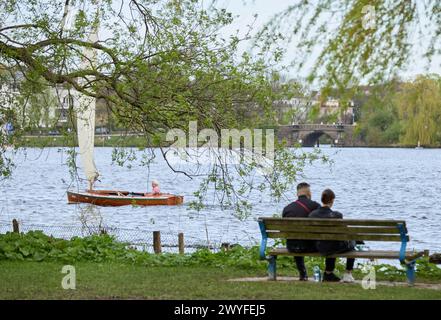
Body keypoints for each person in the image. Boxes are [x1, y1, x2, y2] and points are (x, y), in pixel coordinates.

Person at [309, 189, 356, 283]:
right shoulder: (337, 215)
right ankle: (347, 273)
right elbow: (344, 232)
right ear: (332, 200)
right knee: (352, 244)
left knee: (330, 242)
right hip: (332, 246)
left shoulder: (312, 214)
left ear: (322, 200)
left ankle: (328, 273)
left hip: (318, 246)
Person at [282, 182, 326, 281]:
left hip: (292, 247)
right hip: (311, 246)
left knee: (296, 239)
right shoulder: (315, 206)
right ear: (309, 193)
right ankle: (328, 272)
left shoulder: (287, 209)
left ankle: (303, 274)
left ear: (297, 194)